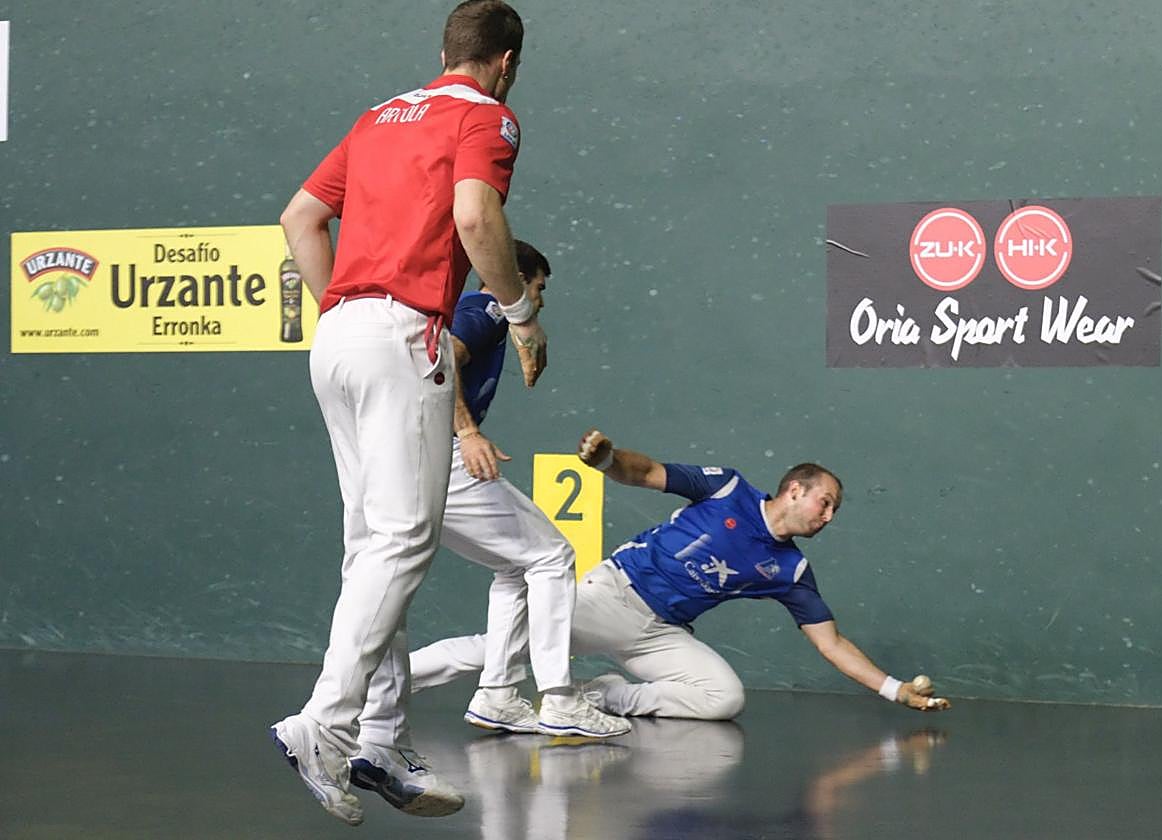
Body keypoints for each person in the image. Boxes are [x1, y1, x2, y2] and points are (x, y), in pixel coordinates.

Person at [270, 1, 546, 827]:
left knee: (373, 548)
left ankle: (380, 738)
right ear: (506, 62)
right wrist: (521, 311)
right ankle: (324, 723)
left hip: (339, 334)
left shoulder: (378, 116)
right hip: (402, 334)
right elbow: (474, 216)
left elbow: (300, 219)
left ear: (442, 51)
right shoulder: (490, 118)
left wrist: (349, 316)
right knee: (402, 541)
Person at [410, 429, 952, 720]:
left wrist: (894, 689)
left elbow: (831, 644)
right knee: (496, 652)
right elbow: (645, 472)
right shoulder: (726, 489)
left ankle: (602, 697)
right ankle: (377, 682)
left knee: (722, 697)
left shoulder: (791, 570)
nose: (829, 517)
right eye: (826, 503)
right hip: (614, 596)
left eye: (834, 510)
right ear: (795, 491)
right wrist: (607, 459)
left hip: (661, 634)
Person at [437, 239, 628, 738]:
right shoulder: (486, 309)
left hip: (421, 463)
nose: (538, 302)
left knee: (514, 566)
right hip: (446, 458)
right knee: (552, 557)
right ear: (516, 281)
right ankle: (560, 699)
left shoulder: (475, 312)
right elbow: (442, 364)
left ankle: (497, 694)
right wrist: (468, 431)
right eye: (538, 288)